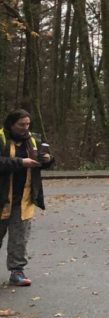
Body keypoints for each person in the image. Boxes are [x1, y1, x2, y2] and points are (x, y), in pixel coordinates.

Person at [0, 109, 53, 286]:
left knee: (19, 238)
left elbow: (44, 163)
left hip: (24, 198)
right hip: (2, 197)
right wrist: (21, 162)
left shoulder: (33, 140)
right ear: (11, 124)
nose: (25, 128)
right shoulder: (1, 138)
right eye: (21, 125)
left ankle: (17, 271)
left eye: (27, 124)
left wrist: (47, 159)